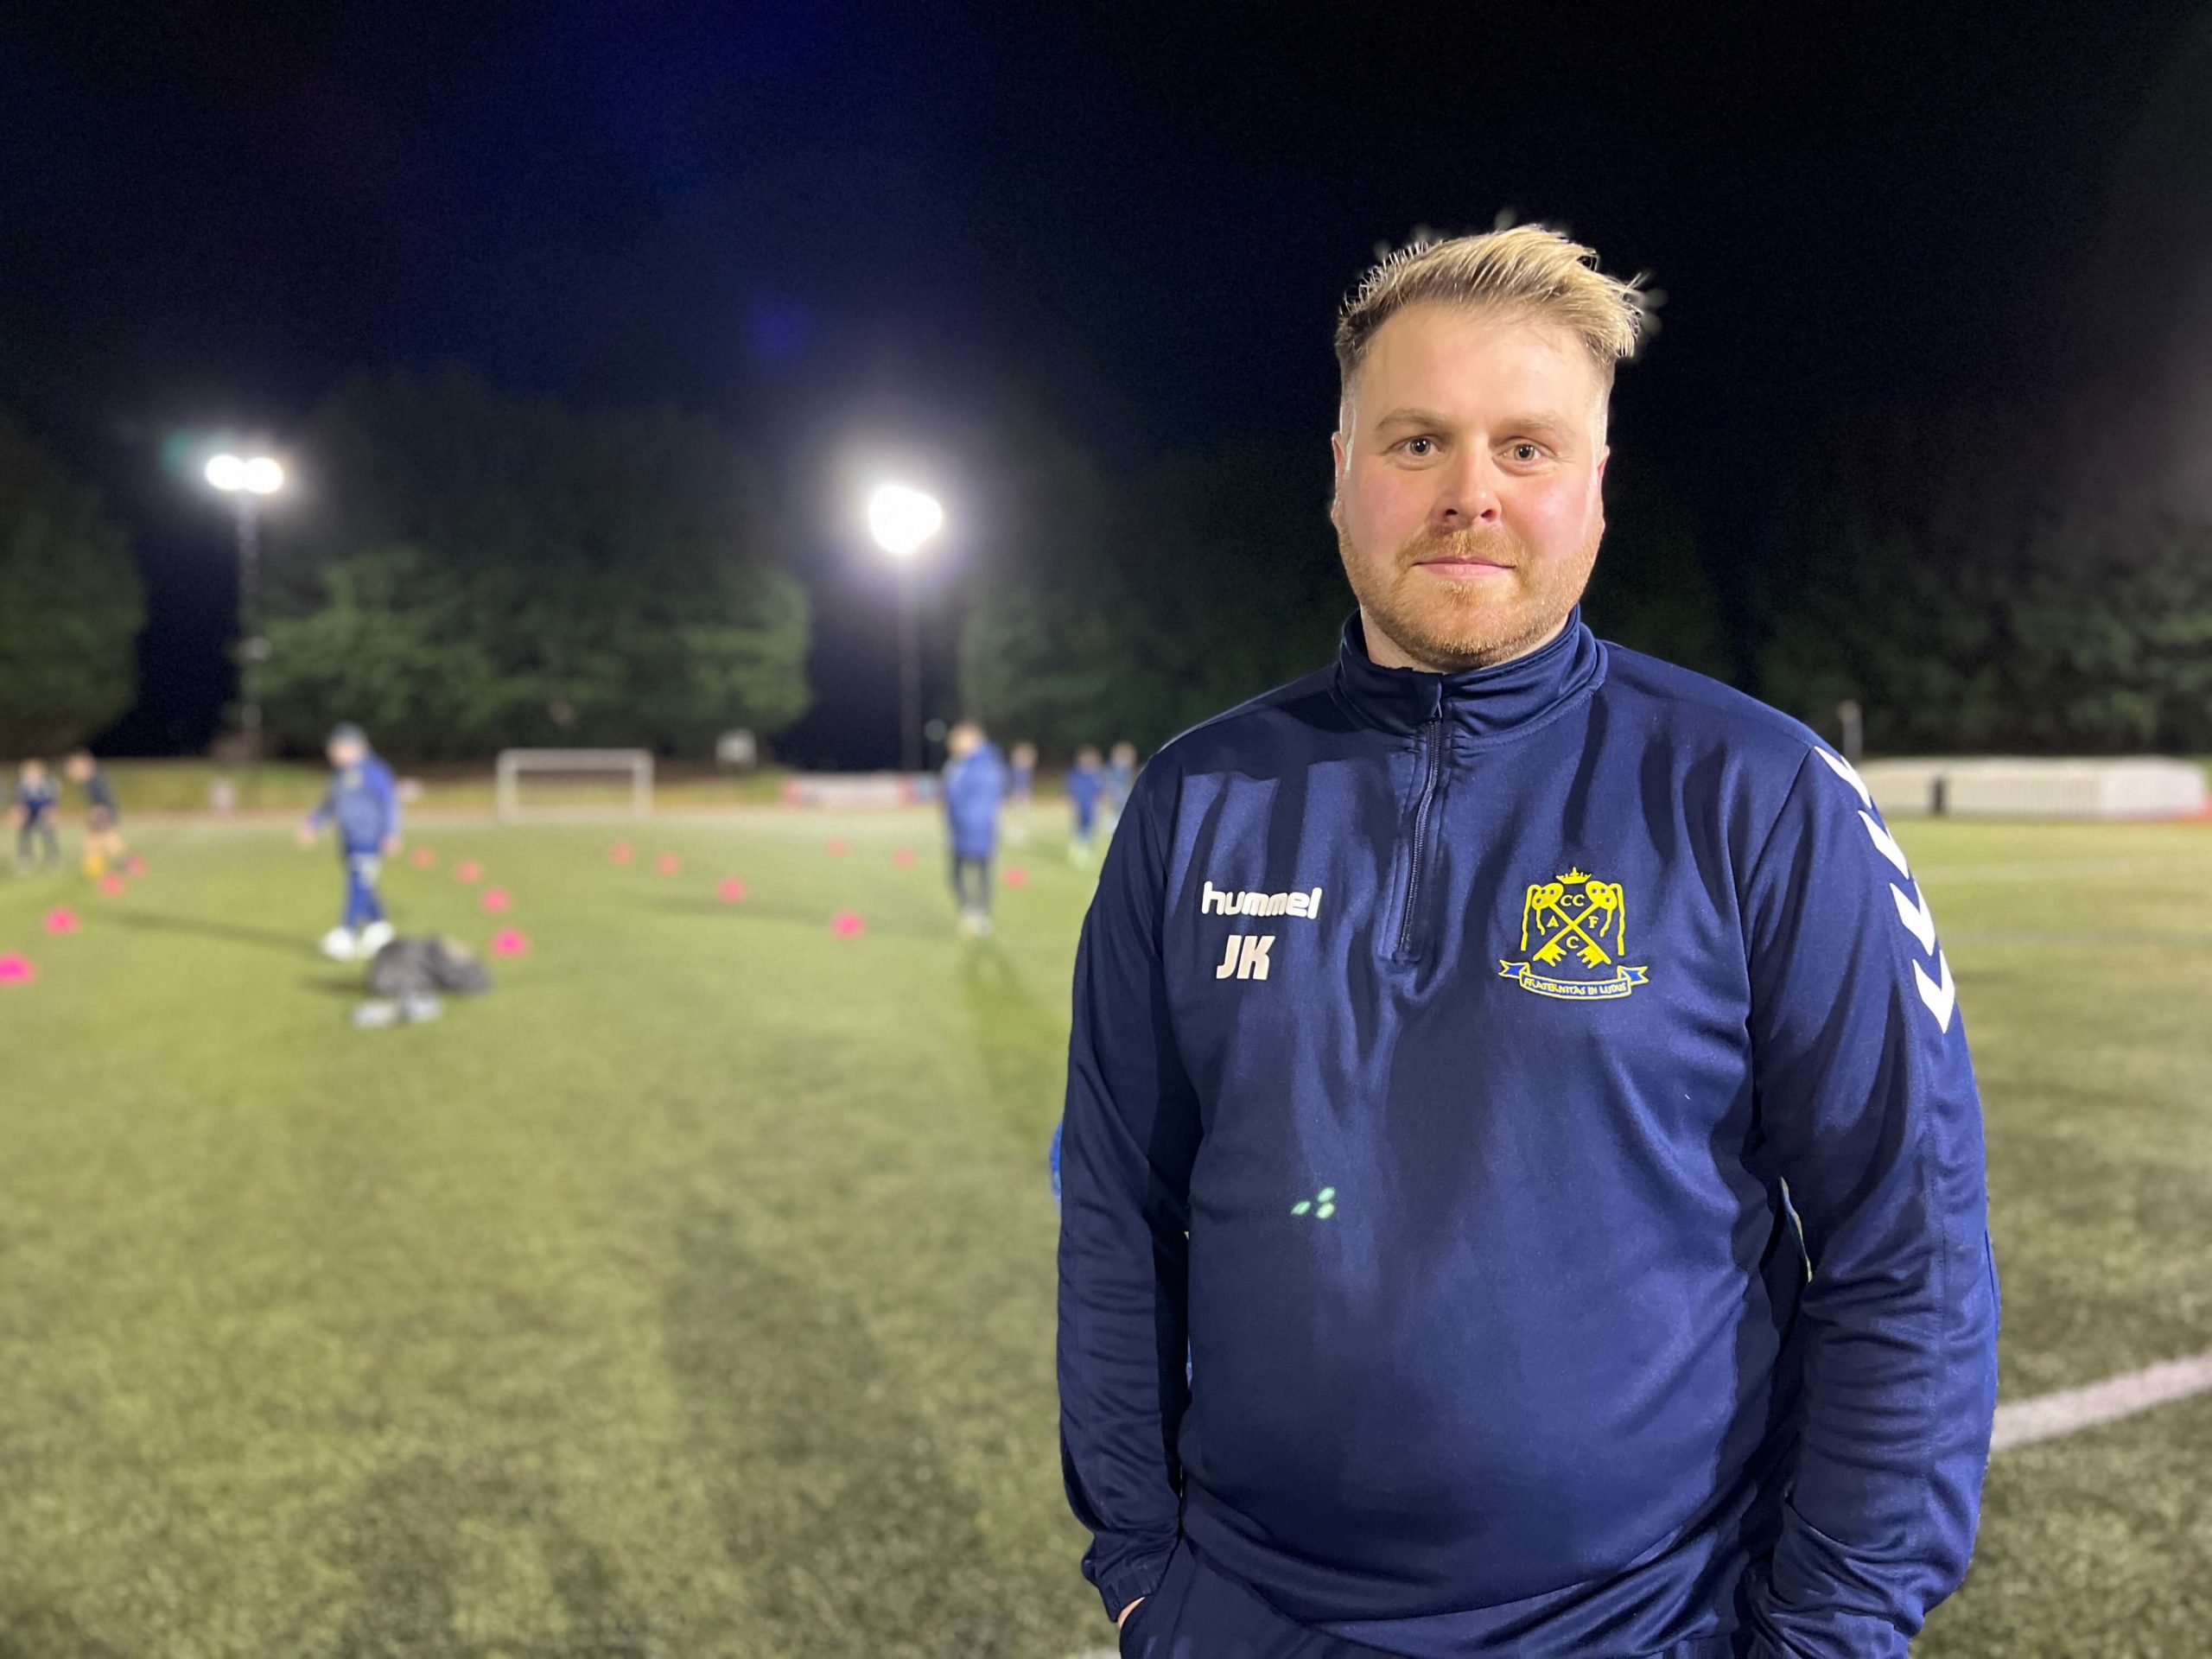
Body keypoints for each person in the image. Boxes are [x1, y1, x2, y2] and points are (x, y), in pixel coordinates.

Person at [1058, 226, 1998, 1658]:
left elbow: (1906, 1244)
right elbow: (1119, 1211)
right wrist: (1140, 1567)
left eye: (1527, 449)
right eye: (1418, 442)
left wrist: (1828, 1631)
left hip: (1649, 1624)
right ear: (1342, 472)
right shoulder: (1197, 801)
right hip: (1244, 1618)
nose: (1470, 495)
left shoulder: (1762, 793)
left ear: (1596, 491)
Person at [296, 722, 401, 961]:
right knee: (364, 882)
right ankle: (379, 927)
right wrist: (311, 825)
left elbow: (389, 803)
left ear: (356, 747)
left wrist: (391, 833)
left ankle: (347, 933)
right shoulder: (339, 775)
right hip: (348, 839)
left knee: (357, 882)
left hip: (369, 838)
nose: (332, 753)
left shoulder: (375, 771)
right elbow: (329, 805)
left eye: (338, 748)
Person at [941, 719, 1008, 938]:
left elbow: (980, 800)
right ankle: (970, 912)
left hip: (976, 828)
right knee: (958, 874)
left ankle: (980, 916)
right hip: (961, 828)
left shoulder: (985, 765)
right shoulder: (960, 764)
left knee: (981, 873)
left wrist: (968, 822)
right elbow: (950, 796)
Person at [65, 749, 124, 874]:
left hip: (104, 812)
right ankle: (98, 865)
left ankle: (119, 864)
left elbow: (103, 800)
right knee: (96, 838)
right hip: (103, 812)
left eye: (75, 768)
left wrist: (97, 813)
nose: (72, 772)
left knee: (105, 838)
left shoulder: (95, 780)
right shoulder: (90, 780)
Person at [11, 759, 61, 872]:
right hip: (28, 814)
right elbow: (18, 802)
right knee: (24, 834)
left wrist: (50, 814)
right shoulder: (22, 785)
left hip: (43, 812)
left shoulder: (48, 784)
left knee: (48, 832)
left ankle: (53, 856)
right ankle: (25, 857)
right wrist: (19, 814)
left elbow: (51, 802)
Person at [1065, 746, 1106, 865]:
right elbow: (1070, 790)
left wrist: (1101, 805)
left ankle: (1087, 852)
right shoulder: (1075, 775)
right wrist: (1072, 803)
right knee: (1078, 829)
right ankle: (1076, 850)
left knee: (1090, 830)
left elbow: (1099, 792)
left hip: (1091, 808)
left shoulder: (1096, 776)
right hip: (1080, 806)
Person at [1102, 741, 1138, 836]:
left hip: (1124, 799)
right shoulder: (1112, 771)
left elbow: (1130, 784)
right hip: (1116, 799)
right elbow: (1108, 783)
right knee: (1115, 817)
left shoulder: (1128, 771)